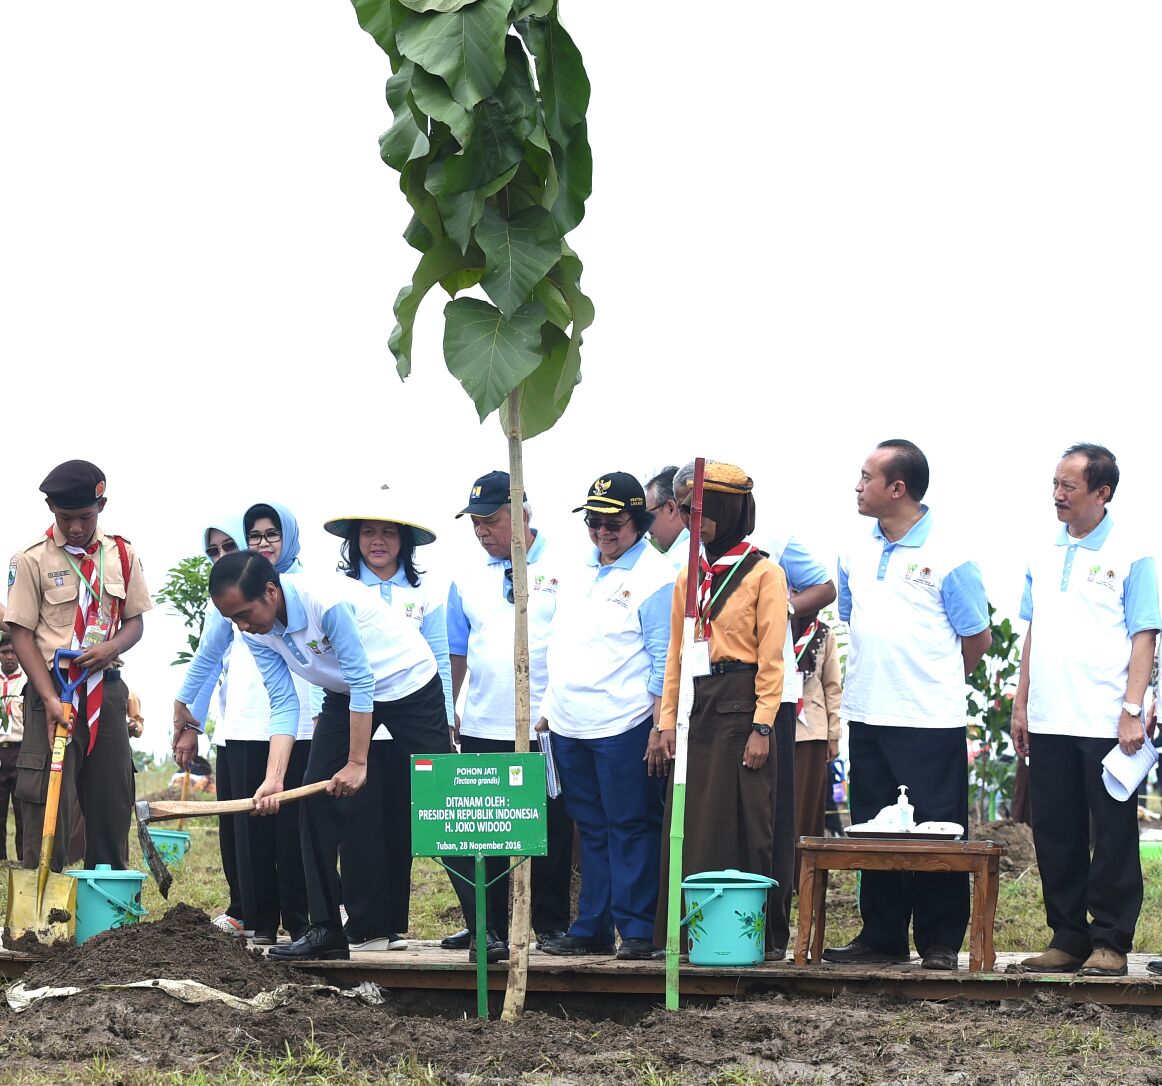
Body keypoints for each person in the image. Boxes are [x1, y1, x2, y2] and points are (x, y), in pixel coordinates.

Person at [209, 551, 449, 961]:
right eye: (233, 619)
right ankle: (325, 929)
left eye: (245, 613)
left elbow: (363, 679)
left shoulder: (325, 602)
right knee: (313, 803)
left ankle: (488, 929)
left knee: (443, 799)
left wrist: (358, 763)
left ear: (271, 591)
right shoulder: (256, 631)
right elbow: (284, 702)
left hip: (409, 685)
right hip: (344, 696)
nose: (242, 626)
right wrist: (274, 778)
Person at [825, 440, 991, 971]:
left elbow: (977, 638)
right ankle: (882, 935)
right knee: (874, 826)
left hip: (929, 718)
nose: (857, 485)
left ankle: (940, 942)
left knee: (938, 830)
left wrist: (937, 683)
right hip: (868, 713)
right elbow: (853, 617)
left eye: (866, 476)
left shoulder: (952, 552)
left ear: (898, 488)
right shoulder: (855, 550)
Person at [1012, 444, 1160, 978]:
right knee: (1055, 829)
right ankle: (1067, 937)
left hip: (1106, 718)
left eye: (1069, 486)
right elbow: (1034, 630)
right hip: (1049, 715)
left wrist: (1130, 708)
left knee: (1113, 831)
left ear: (1102, 493)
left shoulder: (1133, 550)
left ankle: (1111, 942)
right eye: (1055, 483)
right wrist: (1021, 701)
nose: (1058, 495)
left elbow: (1145, 635)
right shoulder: (1041, 549)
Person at [651, 461, 789, 956]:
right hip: (697, 705)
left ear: (731, 510)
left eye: (704, 510)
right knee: (690, 824)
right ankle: (688, 934)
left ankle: (751, 934)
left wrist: (763, 727)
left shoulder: (764, 573)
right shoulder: (689, 575)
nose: (693, 518)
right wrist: (666, 722)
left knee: (746, 822)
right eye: (686, 509)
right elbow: (674, 654)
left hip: (742, 703)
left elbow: (773, 659)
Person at [536, 471, 674, 960]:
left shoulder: (656, 577)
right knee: (589, 828)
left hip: (625, 722)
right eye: (594, 521)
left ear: (637, 521)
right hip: (569, 722)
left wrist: (660, 726)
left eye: (614, 521)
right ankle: (591, 925)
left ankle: (637, 929)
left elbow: (663, 657)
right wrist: (549, 708)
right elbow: (561, 644)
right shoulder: (575, 572)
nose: (602, 531)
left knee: (631, 825)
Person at [437, 471, 573, 962]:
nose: (482, 532)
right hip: (482, 722)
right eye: (475, 523)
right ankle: (487, 929)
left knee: (551, 828)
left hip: (545, 724)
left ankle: (551, 924)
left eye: (491, 521)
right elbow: (456, 650)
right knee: (485, 827)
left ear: (522, 513)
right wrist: (450, 709)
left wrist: (557, 708)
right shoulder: (466, 578)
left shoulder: (566, 566)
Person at [174, 505, 314, 944]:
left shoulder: (305, 588)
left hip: (299, 726)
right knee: (247, 833)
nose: (261, 544)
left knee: (296, 833)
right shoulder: (228, 600)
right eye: (251, 538)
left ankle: (305, 920)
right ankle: (254, 919)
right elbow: (206, 659)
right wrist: (186, 717)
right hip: (240, 726)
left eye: (229, 545)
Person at [5, 459, 151, 869]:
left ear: (101, 506)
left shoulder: (122, 554)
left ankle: (107, 903)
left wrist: (110, 648)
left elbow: (135, 622)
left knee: (111, 794)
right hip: (50, 692)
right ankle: (44, 905)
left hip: (105, 689)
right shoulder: (29, 560)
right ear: (50, 507)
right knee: (46, 796)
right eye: (65, 517)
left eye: (85, 516)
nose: (75, 527)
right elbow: (21, 634)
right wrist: (50, 698)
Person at [323, 492, 453, 952]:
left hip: (413, 711)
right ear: (354, 540)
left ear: (405, 542)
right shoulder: (337, 590)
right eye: (368, 532)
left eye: (388, 532)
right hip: (357, 716)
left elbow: (438, 657)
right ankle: (364, 921)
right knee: (358, 816)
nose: (378, 541)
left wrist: (446, 719)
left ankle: (395, 920)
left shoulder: (427, 592)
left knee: (406, 813)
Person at [793, 612, 842, 887]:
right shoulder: (772, 624)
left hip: (811, 731)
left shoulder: (824, 633)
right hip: (773, 728)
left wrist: (833, 734)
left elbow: (832, 686)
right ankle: (777, 876)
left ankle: (806, 879)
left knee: (807, 807)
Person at [0, 627, 26, 863]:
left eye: (13, 651)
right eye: (4, 651)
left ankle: (22, 859)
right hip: (0, 751)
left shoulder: (28, 681)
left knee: (22, 810)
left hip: (20, 751)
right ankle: (1, 858)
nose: (9, 656)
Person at [644, 466, 689, 569]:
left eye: (648, 514)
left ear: (671, 509)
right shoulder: (702, 551)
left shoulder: (677, 565)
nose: (646, 527)